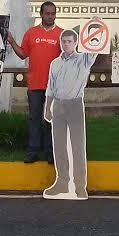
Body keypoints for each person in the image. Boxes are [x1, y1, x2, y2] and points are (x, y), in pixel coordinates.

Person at [43, 26, 98, 200]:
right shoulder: (55, 63)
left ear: (75, 43)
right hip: (58, 105)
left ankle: (80, 186)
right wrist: (47, 107)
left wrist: (96, 23)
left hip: (75, 105)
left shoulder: (84, 60)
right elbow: (50, 87)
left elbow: (95, 47)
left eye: (69, 42)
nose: (66, 44)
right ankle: (62, 182)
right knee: (59, 145)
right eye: (63, 41)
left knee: (77, 146)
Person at [6, 1, 62, 164]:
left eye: (53, 13)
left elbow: (69, 57)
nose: (50, 16)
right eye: (47, 13)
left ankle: (51, 153)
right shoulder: (31, 33)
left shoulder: (62, 34)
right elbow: (23, 54)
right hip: (35, 85)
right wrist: (11, 41)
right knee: (34, 119)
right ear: (41, 14)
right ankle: (33, 151)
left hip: (55, 87)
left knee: (51, 120)